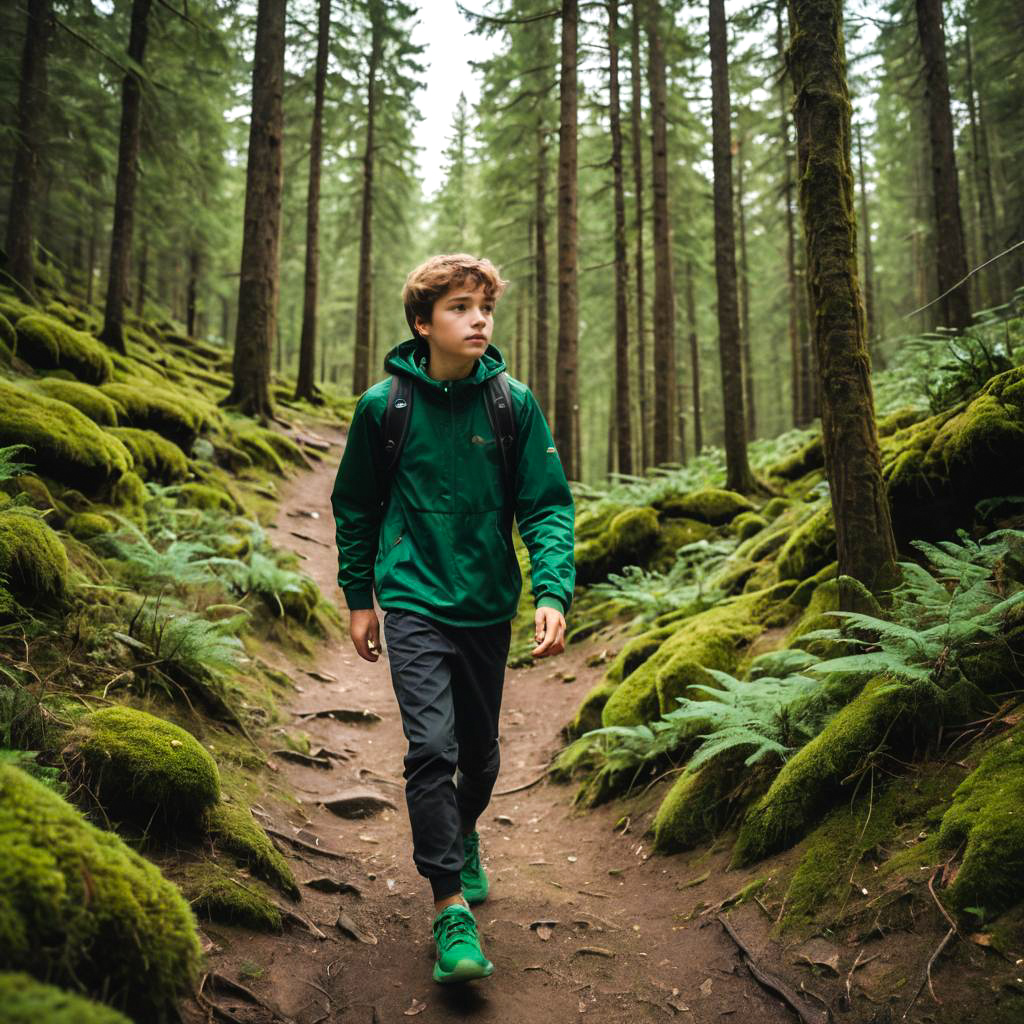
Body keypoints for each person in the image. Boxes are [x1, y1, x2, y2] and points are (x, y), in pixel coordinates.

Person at [330, 253, 576, 985]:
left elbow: (547, 506)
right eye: (460, 308)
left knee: (482, 754)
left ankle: (464, 832)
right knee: (430, 748)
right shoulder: (384, 408)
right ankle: (448, 909)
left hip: (487, 605)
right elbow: (357, 508)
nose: (478, 320)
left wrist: (553, 593)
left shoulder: (512, 404)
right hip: (410, 600)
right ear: (422, 322)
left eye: (484, 309)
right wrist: (358, 598)